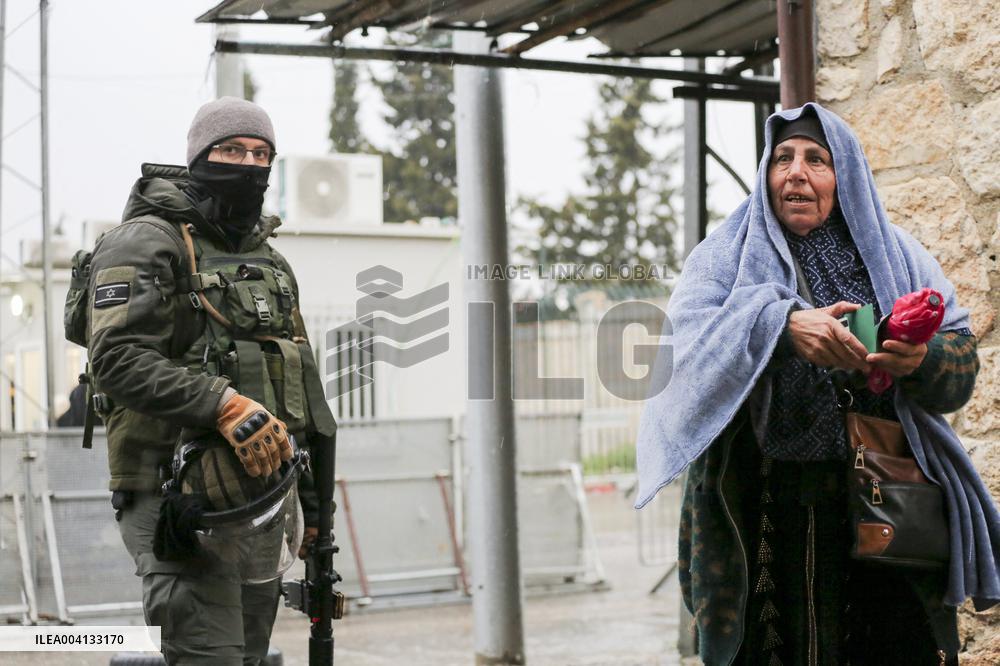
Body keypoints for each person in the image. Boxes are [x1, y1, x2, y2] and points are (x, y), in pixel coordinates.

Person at [635, 103, 1000, 665]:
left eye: (816, 160)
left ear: (845, 175)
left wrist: (919, 359)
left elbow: (961, 369)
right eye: (782, 158)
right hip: (759, 503)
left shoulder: (898, 257)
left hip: (880, 503)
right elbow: (681, 366)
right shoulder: (722, 262)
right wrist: (778, 327)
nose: (796, 172)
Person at [84, 96, 336, 665]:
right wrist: (222, 405)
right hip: (172, 496)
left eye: (260, 154)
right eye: (231, 150)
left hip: (260, 499)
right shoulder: (147, 241)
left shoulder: (268, 260)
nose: (248, 165)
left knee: (249, 656)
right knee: (209, 657)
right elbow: (117, 357)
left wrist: (318, 513)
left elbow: (301, 393)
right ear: (199, 155)